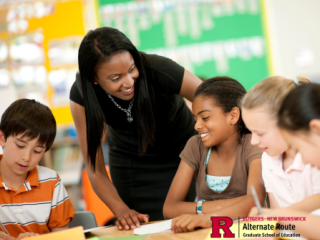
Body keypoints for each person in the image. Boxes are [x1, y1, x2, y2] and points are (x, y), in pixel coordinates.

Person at [69, 27, 202, 230]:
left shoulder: (159, 69)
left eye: (131, 69)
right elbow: (94, 168)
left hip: (182, 153)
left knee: (181, 225)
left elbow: (214, 100)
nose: (129, 82)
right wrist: (121, 210)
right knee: (140, 227)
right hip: (130, 159)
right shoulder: (82, 96)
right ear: (94, 78)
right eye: (116, 78)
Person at [164, 77, 264, 233]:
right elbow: (170, 208)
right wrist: (233, 205)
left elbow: (255, 202)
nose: (197, 126)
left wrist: (206, 217)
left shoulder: (253, 144)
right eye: (195, 119)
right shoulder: (195, 146)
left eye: (205, 118)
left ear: (233, 115)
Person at [249, 83, 320, 239]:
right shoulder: (268, 159)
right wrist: (277, 216)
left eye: (297, 148)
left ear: (316, 129)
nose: (303, 159)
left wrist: (278, 217)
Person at [0, 99, 75, 240]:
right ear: (2, 138)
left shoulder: (52, 182)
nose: (26, 157)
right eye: (20, 146)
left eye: (37, 151)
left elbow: (63, 236)